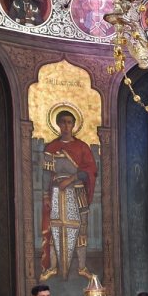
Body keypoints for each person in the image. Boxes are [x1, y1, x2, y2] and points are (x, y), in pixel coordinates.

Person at [40, 109, 98, 281]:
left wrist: (71, 179)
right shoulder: (51, 147)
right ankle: (52, 267)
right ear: (58, 124)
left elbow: (91, 170)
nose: (66, 125)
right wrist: (46, 195)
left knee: (80, 230)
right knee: (56, 228)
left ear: (74, 125)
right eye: (63, 122)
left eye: (69, 122)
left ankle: (81, 267)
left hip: (77, 192)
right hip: (57, 193)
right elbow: (46, 174)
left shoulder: (82, 147)